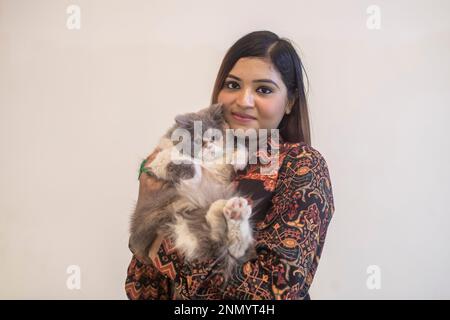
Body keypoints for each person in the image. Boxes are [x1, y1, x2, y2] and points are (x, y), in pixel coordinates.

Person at [125, 30, 335, 300]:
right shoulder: (193, 157)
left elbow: (272, 293)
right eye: (233, 85)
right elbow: (140, 290)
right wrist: (147, 207)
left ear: (290, 102)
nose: (243, 101)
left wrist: (158, 240)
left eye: (263, 90)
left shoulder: (301, 166)